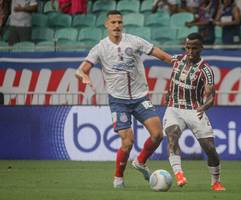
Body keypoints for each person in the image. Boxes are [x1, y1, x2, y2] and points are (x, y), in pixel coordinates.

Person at [75, 10, 173, 189]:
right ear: (106, 25)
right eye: (113, 23)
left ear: (123, 24)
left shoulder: (134, 41)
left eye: (119, 22)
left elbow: (160, 54)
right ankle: (118, 178)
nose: (117, 26)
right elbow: (80, 69)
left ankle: (141, 161)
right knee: (127, 142)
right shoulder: (100, 48)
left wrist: (177, 62)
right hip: (118, 101)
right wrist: (84, 76)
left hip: (140, 96)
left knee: (158, 134)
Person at [163, 32, 225, 191]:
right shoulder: (177, 60)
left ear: (201, 48)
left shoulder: (206, 70)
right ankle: (179, 174)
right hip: (174, 108)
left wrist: (204, 106)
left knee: (210, 149)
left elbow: (211, 97)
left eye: (194, 48)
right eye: (187, 47)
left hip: (194, 110)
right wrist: (168, 92)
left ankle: (215, 181)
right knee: (172, 135)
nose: (190, 51)